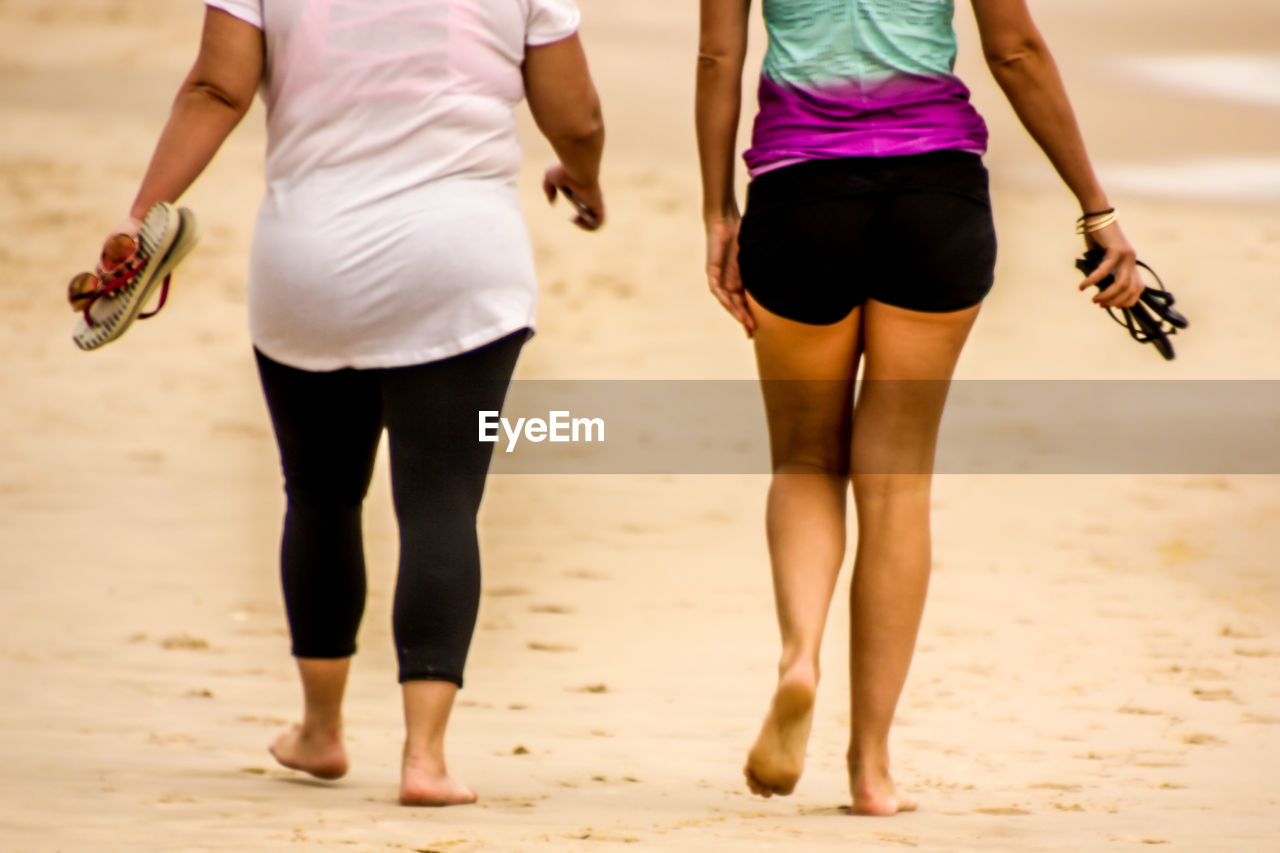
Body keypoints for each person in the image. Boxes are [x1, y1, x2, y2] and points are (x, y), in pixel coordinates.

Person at [91, 0, 604, 805]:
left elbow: (216, 91)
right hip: (461, 257)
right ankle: (425, 758)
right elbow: (576, 116)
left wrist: (137, 216)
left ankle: (321, 729)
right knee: (440, 505)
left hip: (308, 261)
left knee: (323, 494)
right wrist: (584, 175)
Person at [696, 0, 1143, 815]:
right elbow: (1015, 52)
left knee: (804, 459)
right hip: (935, 195)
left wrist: (717, 208)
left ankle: (801, 655)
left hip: (800, 195)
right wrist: (1096, 207)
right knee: (896, 482)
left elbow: (718, 59)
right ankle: (871, 769)